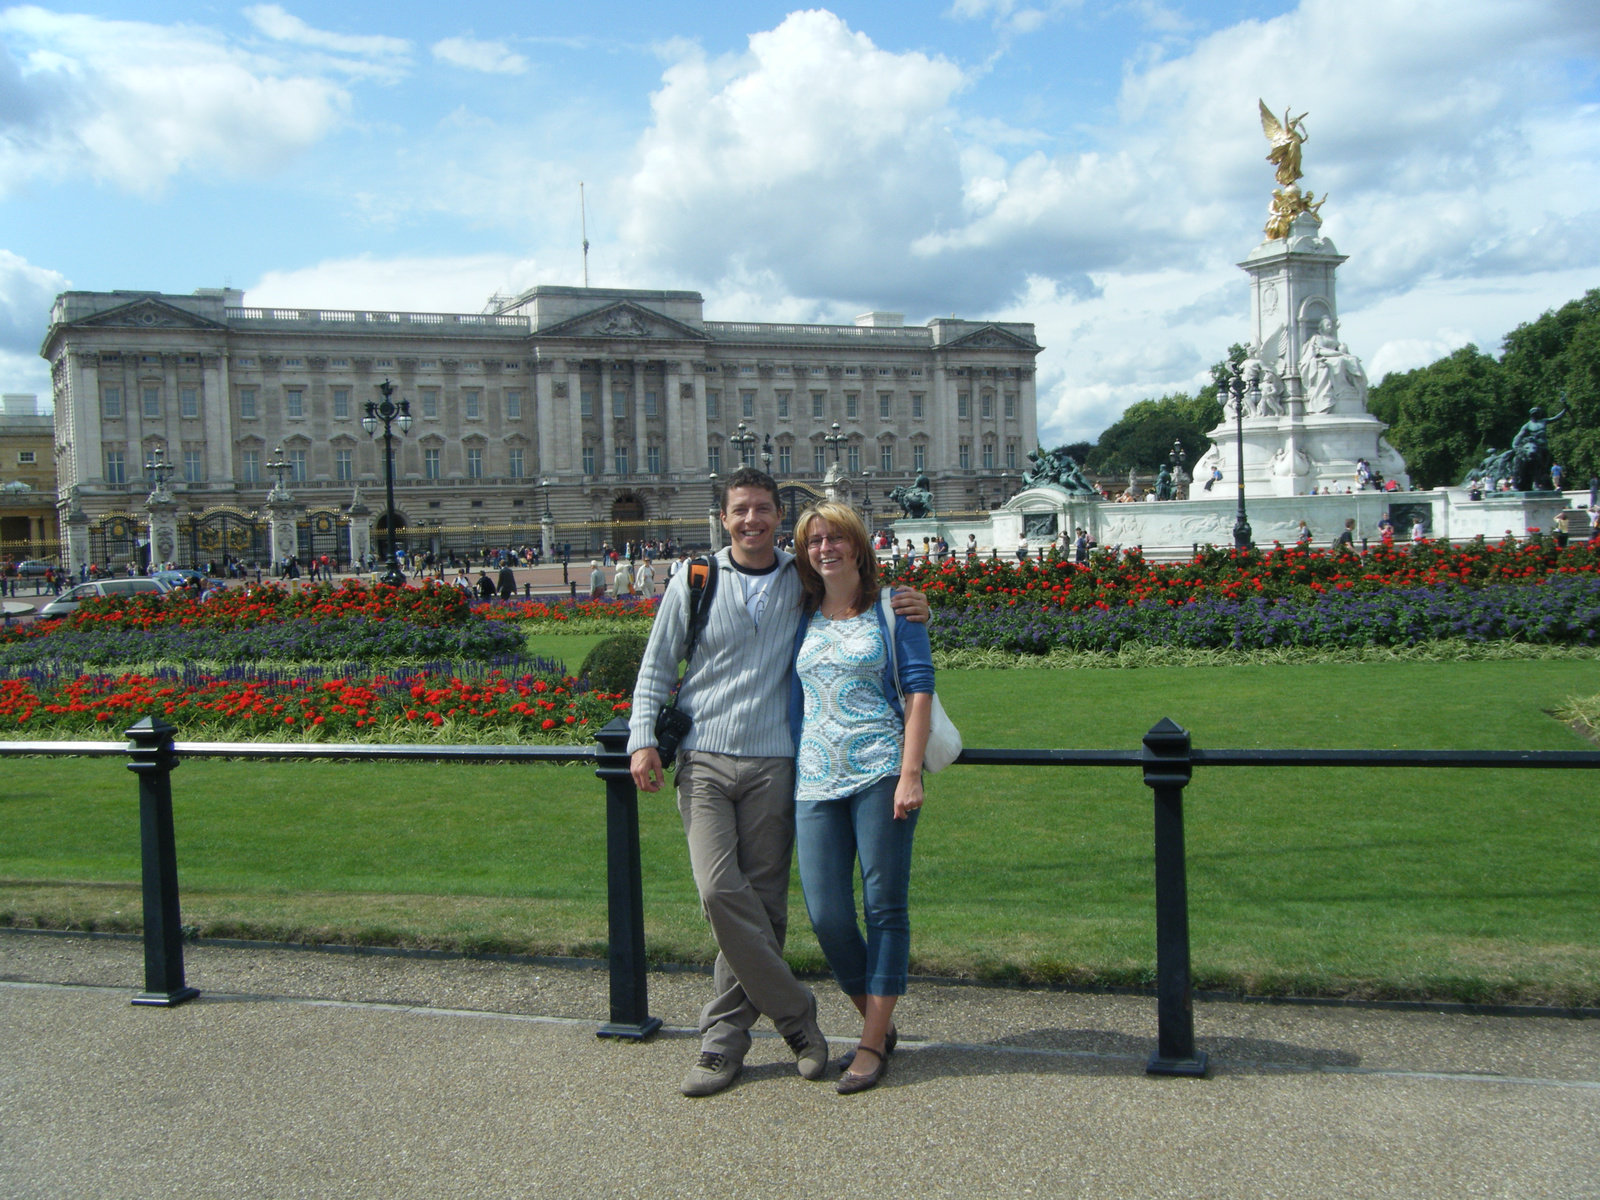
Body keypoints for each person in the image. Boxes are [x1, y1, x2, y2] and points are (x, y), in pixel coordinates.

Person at [627, 467, 929, 1098]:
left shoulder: (802, 578)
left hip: (779, 762)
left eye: (763, 509)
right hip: (708, 757)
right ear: (725, 515)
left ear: (775, 516)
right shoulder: (698, 576)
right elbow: (657, 663)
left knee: (763, 909)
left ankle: (723, 1045)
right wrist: (641, 738)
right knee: (718, 892)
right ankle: (797, 1016)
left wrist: (917, 604)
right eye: (741, 510)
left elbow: (865, 595)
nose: (752, 520)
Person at [788, 501, 932, 1095]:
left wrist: (910, 773)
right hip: (814, 777)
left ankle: (872, 1042)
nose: (826, 548)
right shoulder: (801, 611)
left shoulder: (896, 607)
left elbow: (919, 693)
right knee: (826, 914)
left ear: (858, 545)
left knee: (884, 907)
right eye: (815, 541)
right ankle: (880, 1016)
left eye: (836, 538)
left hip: (879, 771)